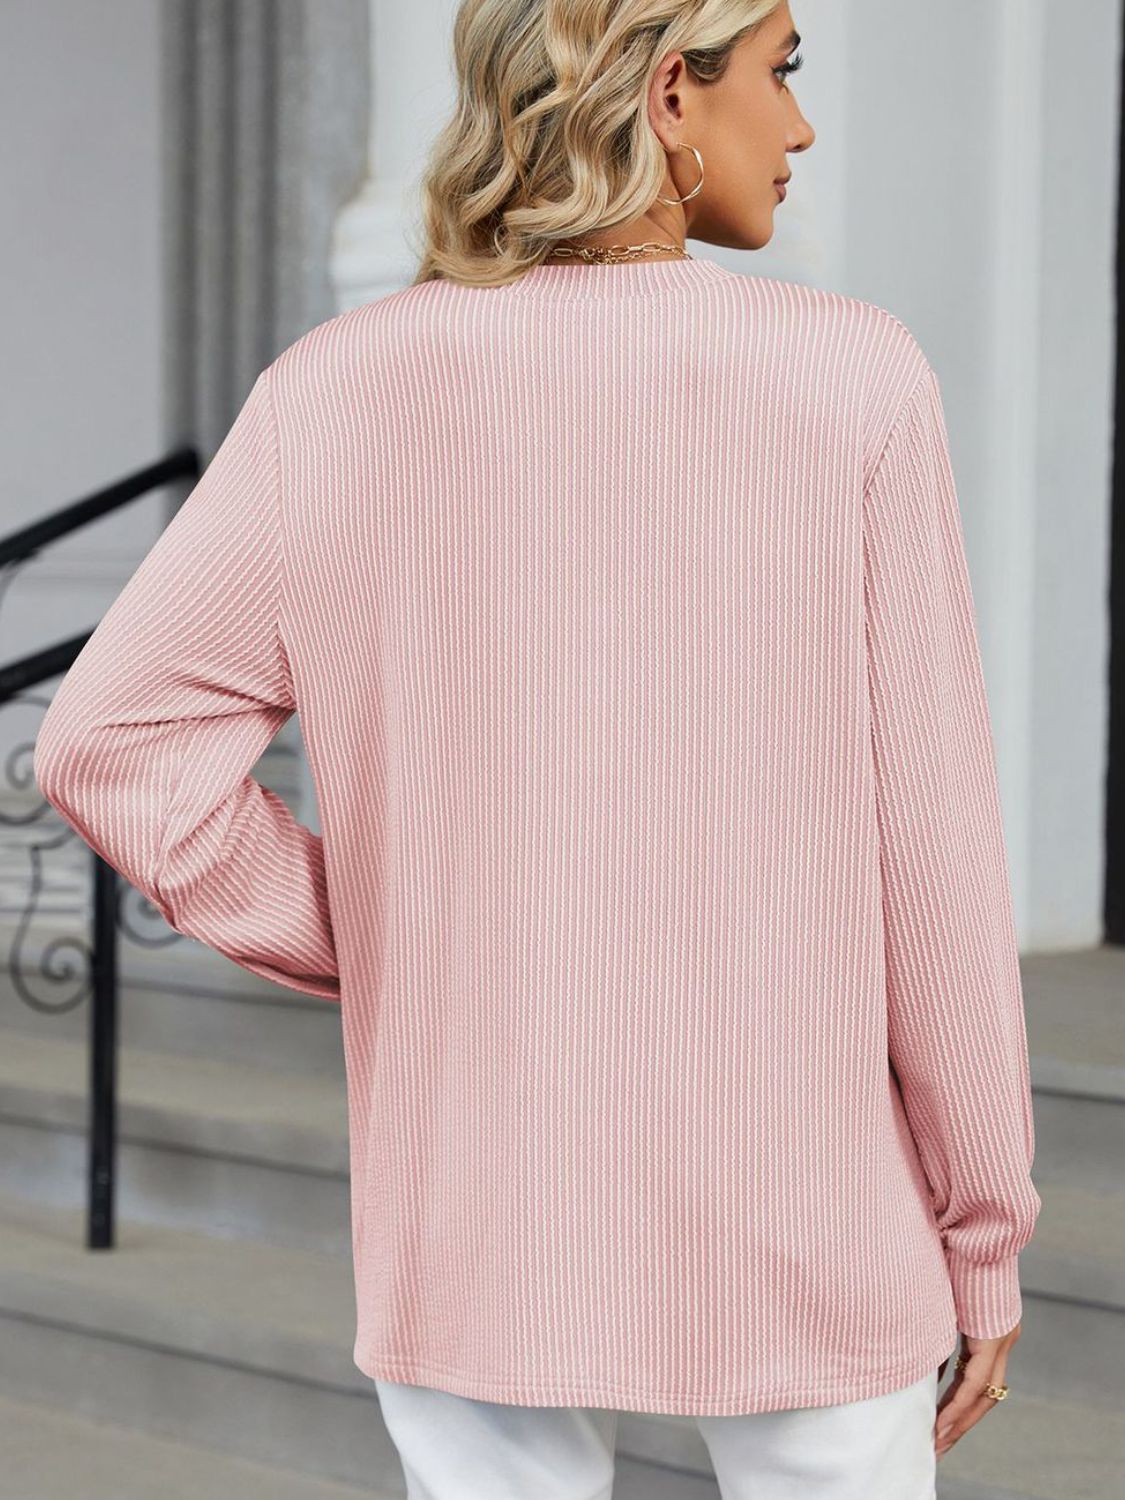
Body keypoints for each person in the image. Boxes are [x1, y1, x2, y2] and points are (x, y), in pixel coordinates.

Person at [32, 1, 1041, 1496]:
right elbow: (935, 857)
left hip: (479, 1205)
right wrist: (983, 1225)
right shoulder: (851, 381)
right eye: (780, 73)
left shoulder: (343, 389)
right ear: (670, 92)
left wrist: (384, 928)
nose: (801, 124)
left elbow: (111, 742)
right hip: (806, 1208)